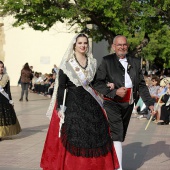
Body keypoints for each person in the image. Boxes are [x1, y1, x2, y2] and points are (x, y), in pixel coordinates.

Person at [40, 33, 119, 170]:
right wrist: (60, 108)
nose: (83, 45)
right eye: (80, 43)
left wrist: (107, 85)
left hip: (91, 103)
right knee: (76, 134)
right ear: (74, 45)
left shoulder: (92, 62)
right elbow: (61, 87)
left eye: (85, 43)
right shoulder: (66, 65)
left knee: (97, 133)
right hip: (73, 104)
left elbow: (94, 83)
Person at [93, 35, 155, 170]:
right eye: (119, 45)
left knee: (120, 135)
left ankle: (106, 160)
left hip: (129, 103)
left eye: (124, 45)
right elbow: (97, 82)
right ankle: (118, 167)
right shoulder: (106, 61)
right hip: (112, 102)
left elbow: (142, 85)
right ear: (114, 47)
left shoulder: (135, 61)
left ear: (127, 46)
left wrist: (149, 103)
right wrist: (114, 92)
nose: (122, 47)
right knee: (117, 133)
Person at [0, 61, 21, 141]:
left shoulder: (6, 77)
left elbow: (8, 91)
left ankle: (1, 134)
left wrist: (10, 100)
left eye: (2, 67)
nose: (1, 68)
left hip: (4, 101)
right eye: (0, 67)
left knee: (3, 118)